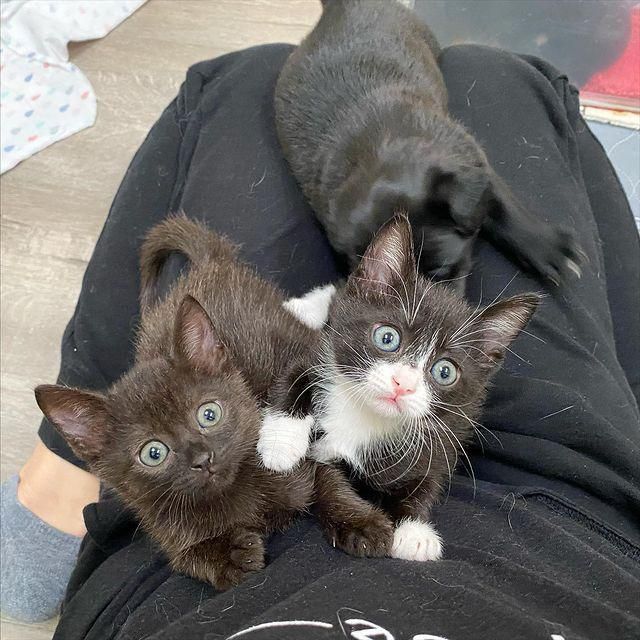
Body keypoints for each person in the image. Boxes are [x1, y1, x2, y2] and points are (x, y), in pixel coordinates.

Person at [1, 42, 639, 639]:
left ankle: (61, 478)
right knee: (508, 75)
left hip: (375, 446)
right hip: (565, 510)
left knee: (245, 77)